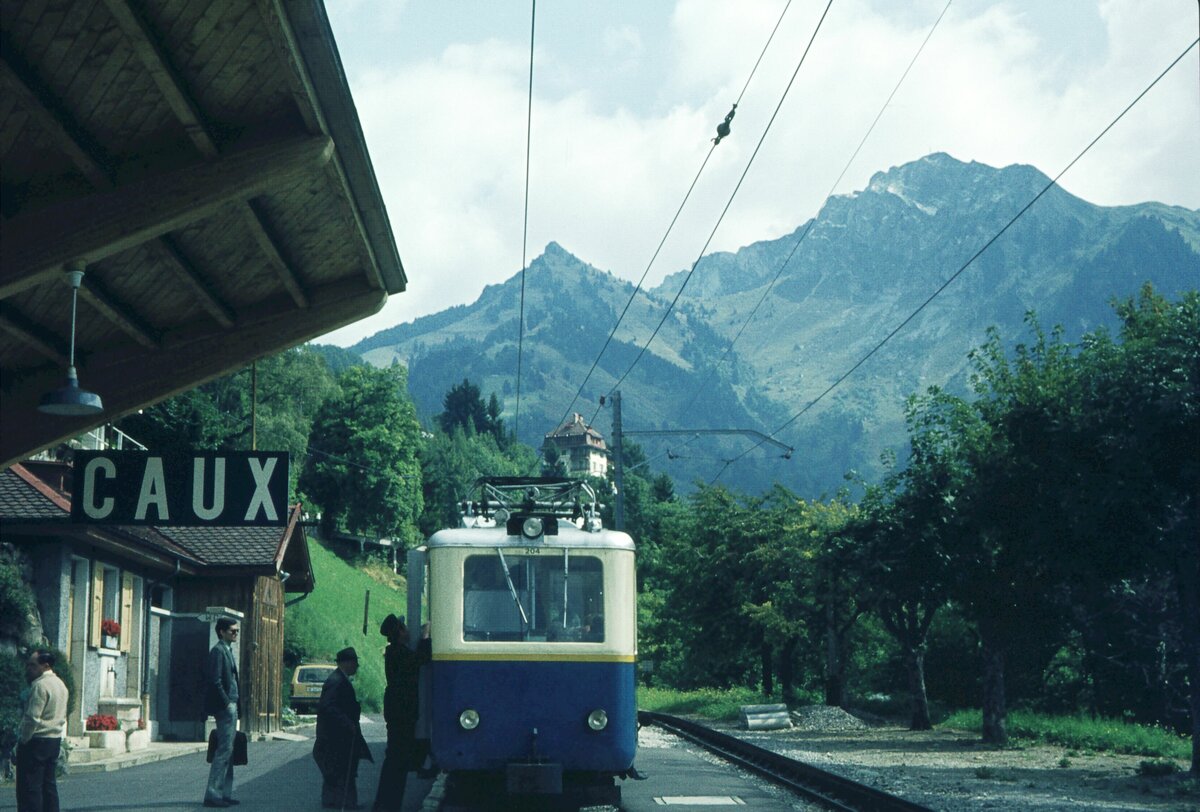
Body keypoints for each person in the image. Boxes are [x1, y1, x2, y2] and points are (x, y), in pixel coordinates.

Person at [314, 647, 373, 809]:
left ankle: (333, 802)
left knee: (336, 772)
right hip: (337, 737)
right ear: (346, 663)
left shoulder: (338, 678)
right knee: (344, 771)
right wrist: (347, 722)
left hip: (337, 736)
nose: (357, 666)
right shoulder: (337, 681)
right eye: (355, 662)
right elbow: (328, 706)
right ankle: (346, 803)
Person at [372, 615, 419, 811]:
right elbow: (420, 659)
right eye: (404, 627)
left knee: (396, 758)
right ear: (399, 632)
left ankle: (387, 804)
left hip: (398, 709)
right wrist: (426, 638)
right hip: (401, 711)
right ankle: (388, 805)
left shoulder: (395, 652)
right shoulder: (399, 653)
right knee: (397, 759)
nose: (408, 631)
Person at [17, 648, 68, 812]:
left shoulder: (40, 685)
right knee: (48, 785)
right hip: (54, 739)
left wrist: (23, 739)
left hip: (37, 739)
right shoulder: (61, 684)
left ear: (45, 665)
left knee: (30, 787)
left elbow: (32, 718)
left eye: (33, 665)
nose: (29, 669)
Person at [202, 618, 240, 808]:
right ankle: (213, 794)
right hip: (226, 707)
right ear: (222, 632)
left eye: (237, 631)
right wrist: (226, 703)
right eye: (232, 631)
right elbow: (214, 680)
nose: (235, 634)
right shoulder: (218, 651)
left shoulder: (227, 650)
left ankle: (224, 792)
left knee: (229, 750)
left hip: (231, 705)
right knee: (224, 750)